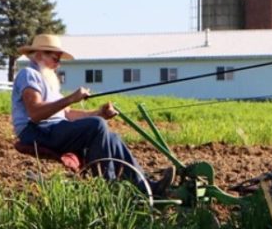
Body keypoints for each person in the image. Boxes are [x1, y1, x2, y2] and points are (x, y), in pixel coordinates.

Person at [11, 33, 169, 194]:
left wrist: (99, 113)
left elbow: (67, 114)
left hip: (54, 129)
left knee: (112, 137)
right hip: (36, 132)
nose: (58, 64)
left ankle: (145, 187)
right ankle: (109, 186)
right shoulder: (29, 74)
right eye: (55, 58)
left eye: (59, 60)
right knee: (97, 126)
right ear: (39, 54)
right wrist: (72, 98)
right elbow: (35, 113)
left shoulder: (47, 79)